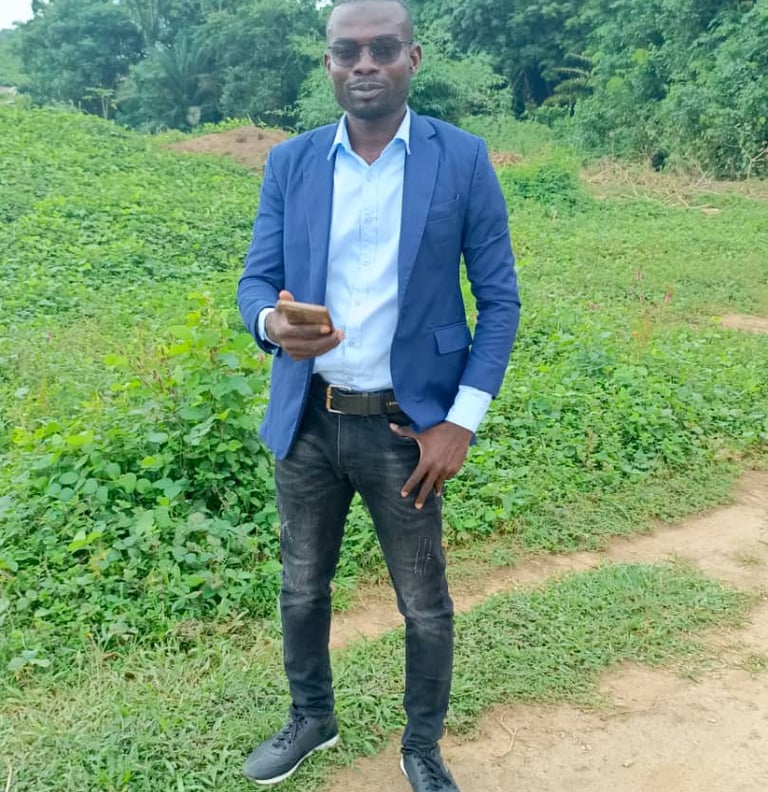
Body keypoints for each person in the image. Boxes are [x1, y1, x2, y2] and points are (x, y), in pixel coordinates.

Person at [236, 0, 520, 789]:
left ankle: (422, 746)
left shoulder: (461, 159)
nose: (365, 63)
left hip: (408, 428)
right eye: (348, 50)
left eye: (383, 48)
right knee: (301, 585)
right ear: (328, 62)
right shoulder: (291, 163)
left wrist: (460, 421)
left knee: (424, 602)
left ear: (412, 58)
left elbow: (499, 301)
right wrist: (269, 324)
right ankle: (312, 718)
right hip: (309, 420)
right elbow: (257, 279)